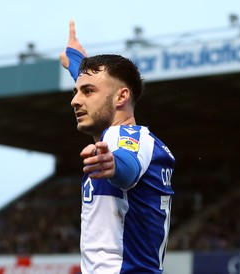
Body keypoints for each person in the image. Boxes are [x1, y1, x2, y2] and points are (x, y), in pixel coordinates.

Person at [60, 20, 175, 273]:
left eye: (87, 91)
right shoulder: (134, 138)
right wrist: (76, 60)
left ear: (122, 97)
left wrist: (113, 165)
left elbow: (128, 164)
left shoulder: (128, 137)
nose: (75, 101)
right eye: (75, 91)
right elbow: (104, 90)